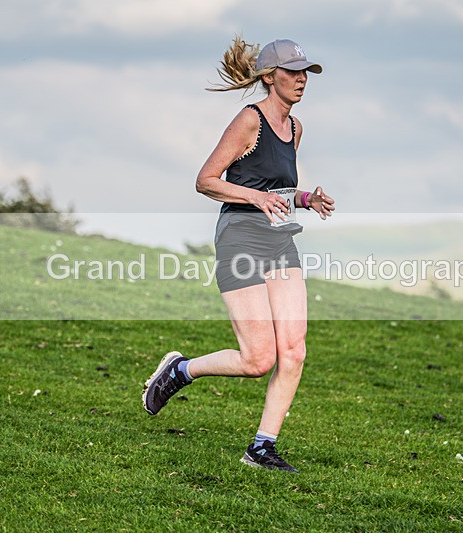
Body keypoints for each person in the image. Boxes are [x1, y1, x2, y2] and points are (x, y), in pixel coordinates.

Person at [142, 36, 335, 473]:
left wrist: (307, 199)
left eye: (305, 72)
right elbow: (206, 180)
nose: (301, 80)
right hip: (240, 238)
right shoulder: (250, 120)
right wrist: (255, 198)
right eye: (292, 72)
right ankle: (180, 370)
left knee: (294, 351)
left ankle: (261, 448)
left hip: (279, 239)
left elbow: (276, 190)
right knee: (258, 358)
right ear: (270, 77)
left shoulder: (296, 128)